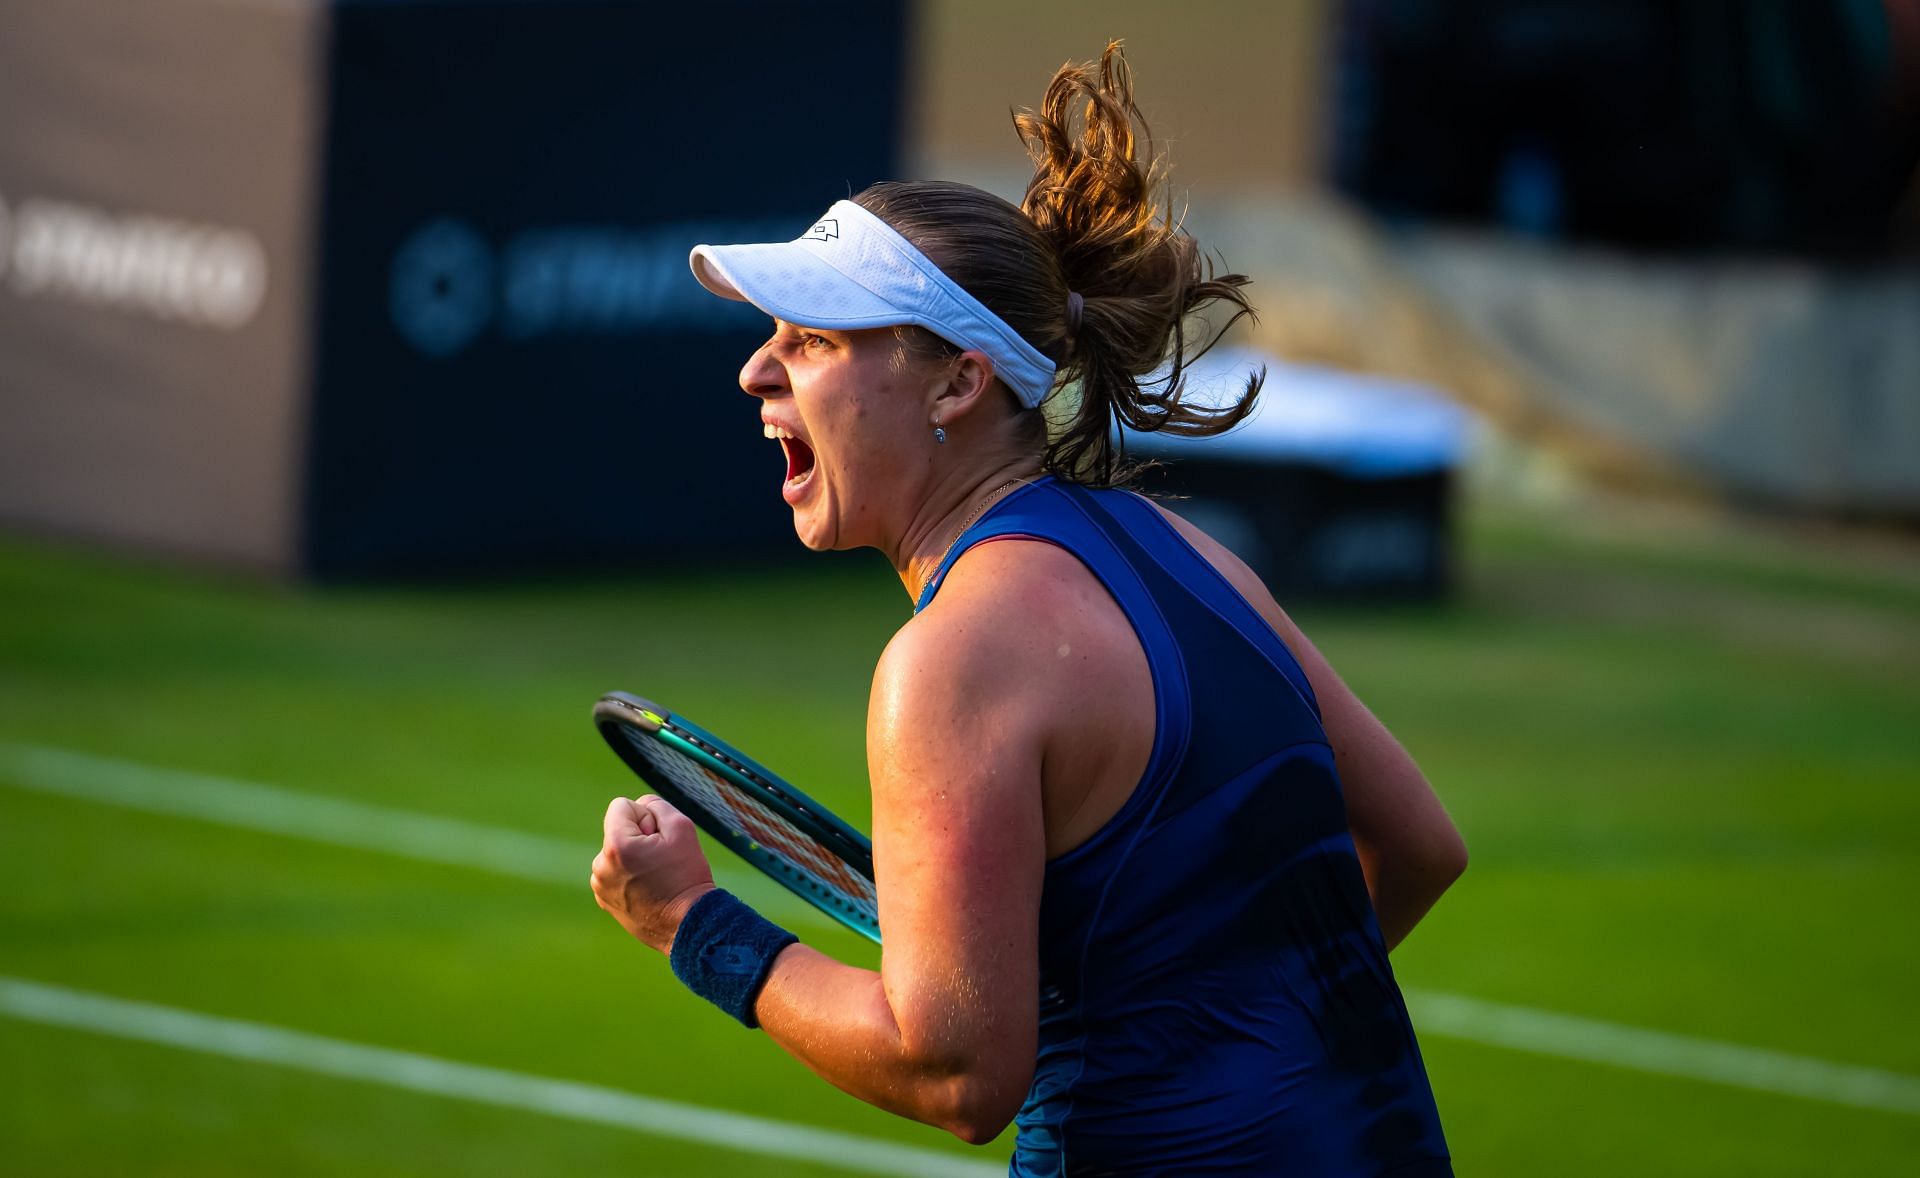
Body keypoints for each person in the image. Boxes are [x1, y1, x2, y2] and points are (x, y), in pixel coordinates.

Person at [591, 43, 1465, 1176]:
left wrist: (696, 930)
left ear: (958, 382)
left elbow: (955, 1070)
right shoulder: (1193, 555)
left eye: (809, 340)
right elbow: (1420, 847)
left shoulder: (951, 662)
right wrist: (1229, 1027)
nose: (758, 374)